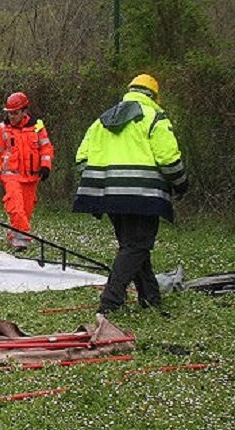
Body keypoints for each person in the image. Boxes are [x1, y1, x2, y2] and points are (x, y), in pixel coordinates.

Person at [72, 74, 189, 314]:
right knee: (137, 245)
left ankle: (150, 297)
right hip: (143, 195)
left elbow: (81, 158)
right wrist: (181, 184)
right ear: (154, 96)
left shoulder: (102, 120)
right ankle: (111, 300)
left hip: (109, 195)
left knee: (133, 245)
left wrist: (105, 179)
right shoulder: (154, 117)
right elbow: (169, 159)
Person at [0, 92, 54, 251]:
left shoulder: (38, 127)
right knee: (16, 208)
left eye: (15, 113)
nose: (11, 116)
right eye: (9, 113)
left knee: (25, 212)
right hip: (10, 176)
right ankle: (23, 240)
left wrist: (46, 165)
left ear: (25, 111)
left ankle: (14, 237)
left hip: (31, 177)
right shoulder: (1, 129)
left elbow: (46, 147)